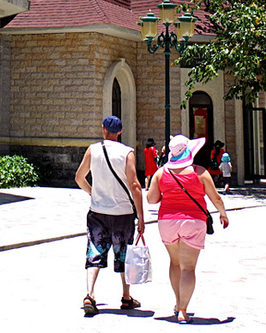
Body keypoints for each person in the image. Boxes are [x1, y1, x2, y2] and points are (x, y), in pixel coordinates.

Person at [147, 134, 230, 324]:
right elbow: (215, 197)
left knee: (175, 263)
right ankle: (183, 310)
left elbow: (151, 199)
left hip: (167, 222)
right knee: (188, 267)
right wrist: (223, 214)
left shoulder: (161, 173)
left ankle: (177, 304)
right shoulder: (199, 172)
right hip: (193, 222)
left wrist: (166, 195)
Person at [74, 115, 146, 317]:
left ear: (103, 129)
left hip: (97, 211)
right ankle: (125, 296)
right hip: (122, 213)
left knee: (94, 250)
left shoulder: (93, 149)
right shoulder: (127, 152)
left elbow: (79, 177)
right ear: (120, 131)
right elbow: (135, 185)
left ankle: (90, 294)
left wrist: (92, 192)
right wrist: (140, 215)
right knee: (123, 252)